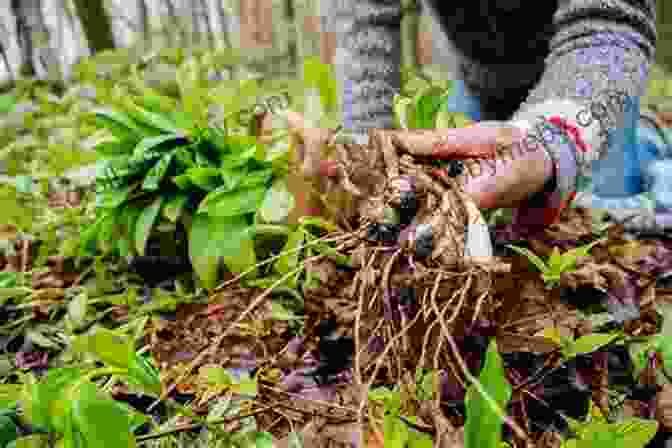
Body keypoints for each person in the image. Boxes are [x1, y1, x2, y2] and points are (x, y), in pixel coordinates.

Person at [284, 0, 672, 234]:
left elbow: (612, 21)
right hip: (476, 83)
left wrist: (555, 135)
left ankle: (647, 140)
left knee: (601, 220)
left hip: (581, 75)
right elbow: (364, 25)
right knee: (457, 198)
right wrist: (367, 151)